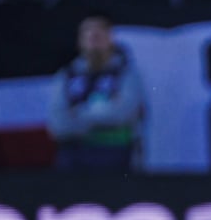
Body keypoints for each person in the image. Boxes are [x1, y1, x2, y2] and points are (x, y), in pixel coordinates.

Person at [47, 14, 147, 173]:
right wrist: (102, 112)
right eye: (88, 34)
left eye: (99, 34)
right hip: (74, 157)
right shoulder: (65, 76)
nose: (93, 38)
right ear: (79, 41)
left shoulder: (126, 73)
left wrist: (79, 113)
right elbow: (57, 124)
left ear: (110, 39)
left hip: (115, 155)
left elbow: (123, 113)